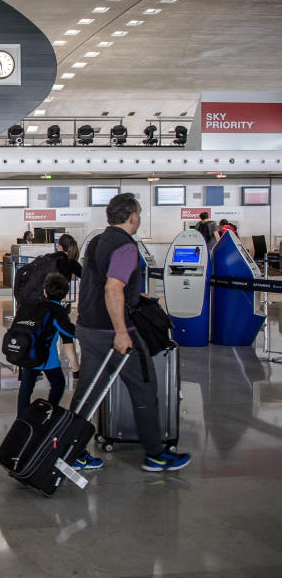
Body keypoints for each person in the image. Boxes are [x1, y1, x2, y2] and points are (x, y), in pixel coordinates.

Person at [70, 193, 192, 472]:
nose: (139, 217)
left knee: (88, 392)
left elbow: (97, 283)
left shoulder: (98, 241)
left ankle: (70, 450)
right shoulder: (125, 246)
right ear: (131, 217)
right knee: (145, 389)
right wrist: (121, 331)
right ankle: (156, 455)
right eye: (139, 212)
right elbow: (112, 287)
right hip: (114, 331)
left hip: (89, 327)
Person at [15, 273, 79, 417]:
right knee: (58, 384)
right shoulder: (57, 311)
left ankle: (21, 417)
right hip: (46, 358)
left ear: (44, 290)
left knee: (26, 387)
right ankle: (50, 413)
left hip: (27, 352)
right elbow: (68, 333)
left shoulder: (33, 305)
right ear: (64, 294)